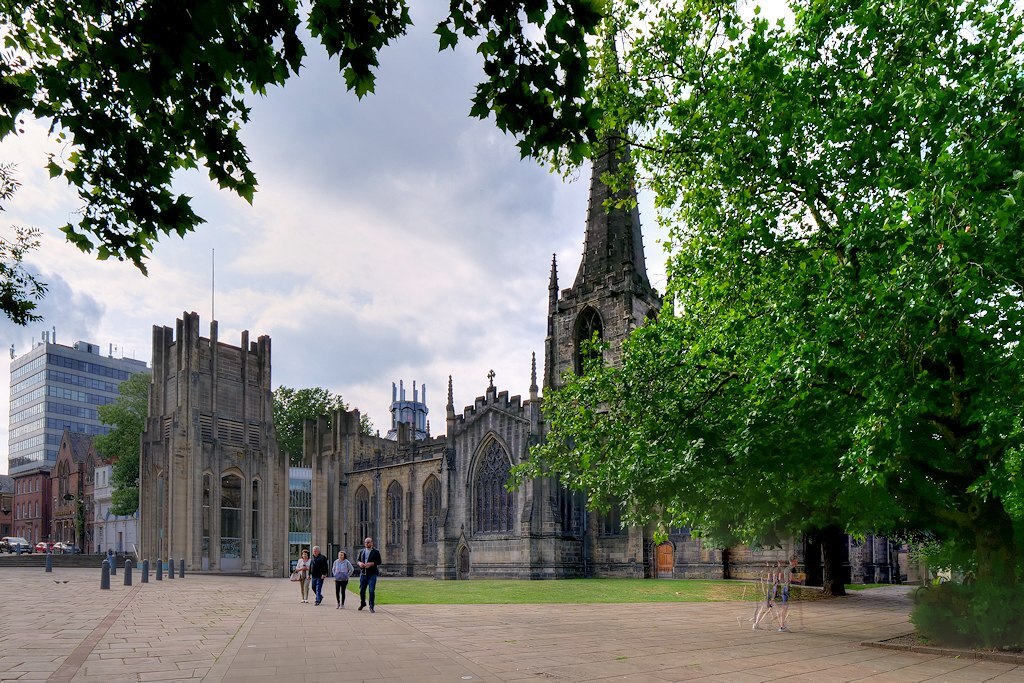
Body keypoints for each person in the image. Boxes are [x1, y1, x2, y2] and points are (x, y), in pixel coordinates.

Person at [357, 537, 383, 613]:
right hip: (363, 573)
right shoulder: (362, 551)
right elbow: (358, 560)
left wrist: (371, 564)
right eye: (365, 542)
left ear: (372, 543)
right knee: (362, 590)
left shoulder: (376, 552)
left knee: (371, 591)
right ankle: (363, 603)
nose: (366, 543)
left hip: (372, 574)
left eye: (368, 542)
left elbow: (379, 561)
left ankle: (371, 606)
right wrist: (360, 563)